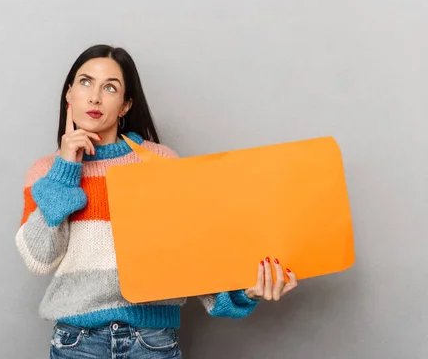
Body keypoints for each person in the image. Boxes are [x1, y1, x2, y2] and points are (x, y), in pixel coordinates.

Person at [15, 44, 298, 358]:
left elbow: (192, 257)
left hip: (150, 342)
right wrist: (67, 169)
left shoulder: (160, 163)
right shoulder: (45, 172)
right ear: (69, 94)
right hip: (76, 344)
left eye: (110, 87)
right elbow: (39, 259)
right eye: (85, 82)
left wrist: (245, 292)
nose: (95, 96)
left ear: (125, 106)